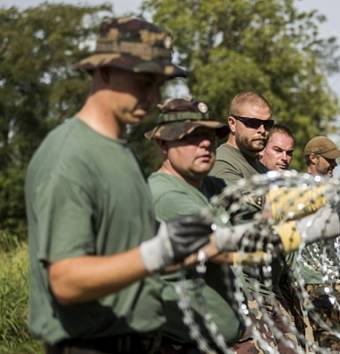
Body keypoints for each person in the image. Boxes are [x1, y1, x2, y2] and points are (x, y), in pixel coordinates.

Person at [25, 17, 214, 354]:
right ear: (103, 71)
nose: (153, 95)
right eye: (143, 81)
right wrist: (156, 252)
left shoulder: (118, 151)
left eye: (158, 84)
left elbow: (136, 246)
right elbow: (66, 280)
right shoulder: (70, 157)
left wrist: (228, 240)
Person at [145, 97, 244, 353]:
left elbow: (254, 197)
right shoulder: (166, 195)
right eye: (191, 136)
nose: (205, 143)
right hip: (182, 345)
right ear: (163, 144)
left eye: (210, 135)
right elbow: (221, 247)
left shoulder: (209, 185)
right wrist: (290, 233)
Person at [209, 91, 273, 185]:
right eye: (253, 123)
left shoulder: (261, 168)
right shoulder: (222, 164)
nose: (262, 130)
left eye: (267, 124)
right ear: (232, 124)